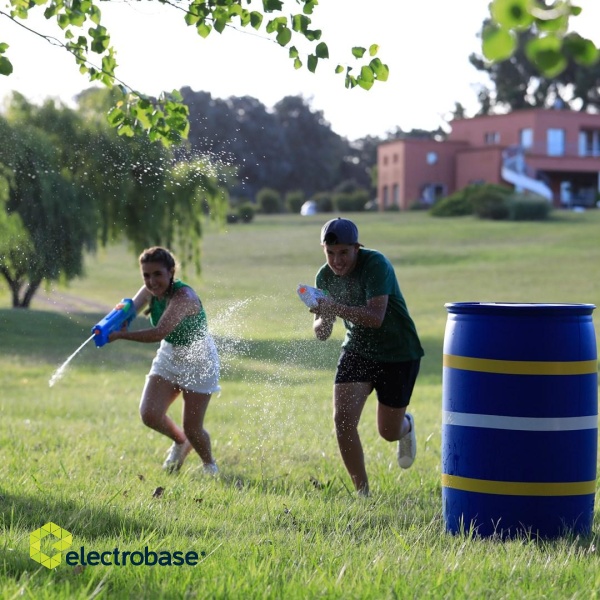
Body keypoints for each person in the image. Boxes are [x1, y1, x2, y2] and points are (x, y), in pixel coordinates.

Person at [310, 218, 424, 497]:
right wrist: (322, 315)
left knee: (388, 431)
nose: (336, 260)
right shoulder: (323, 278)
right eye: (330, 253)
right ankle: (363, 493)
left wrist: (333, 306)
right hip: (358, 350)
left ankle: (406, 426)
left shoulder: (376, 265)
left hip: (398, 351)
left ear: (356, 248)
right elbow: (322, 333)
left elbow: (375, 317)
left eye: (343, 253)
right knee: (343, 421)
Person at [109, 246, 220, 475]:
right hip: (170, 352)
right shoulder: (151, 290)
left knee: (193, 427)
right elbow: (130, 310)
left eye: (157, 274)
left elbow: (158, 332)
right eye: (146, 275)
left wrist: (120, 335)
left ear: (171, 272)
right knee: (149, 414)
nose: (151, 281)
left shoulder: (184, 297)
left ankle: (210, 465)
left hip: (199, 358)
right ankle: (180, 443)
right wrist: (111, 322)